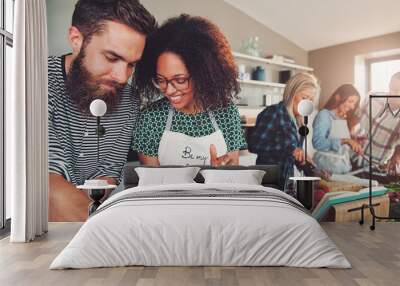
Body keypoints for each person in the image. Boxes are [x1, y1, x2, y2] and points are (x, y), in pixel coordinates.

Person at [48, 0, 157, 221]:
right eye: (112, 58)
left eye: (131, 64)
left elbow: (106, 176)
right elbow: (45, 185)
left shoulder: (129, 100)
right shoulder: (36, 80)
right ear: (76, 40)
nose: (122, 77)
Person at [133, 15, 246, 166]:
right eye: (161, 80)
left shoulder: (227, 113)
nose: (169, 90)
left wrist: (220, 173)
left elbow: (233, 176)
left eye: (179, 80)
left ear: (203, 74)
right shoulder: (151, 118)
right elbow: (149, 182)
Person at [248, 73, 320, 190]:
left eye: (310, 99)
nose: (307, 103)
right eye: (304, 98)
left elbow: (294, 155)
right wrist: (291, 150)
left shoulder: (299, 122)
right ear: (292, 93)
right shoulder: (273, 113)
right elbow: (254, 145)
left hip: (285, 182)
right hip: (268, 181)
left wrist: (308, 165)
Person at [354, 72, 400, 175]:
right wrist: (348, 138)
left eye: (398, 90)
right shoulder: (373, 97)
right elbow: (354, 118)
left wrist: (396, 157)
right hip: (350, 156)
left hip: (375, 167)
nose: (394, 93)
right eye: (392, 88)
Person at [312, 84, 362, 174]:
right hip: (326, 170)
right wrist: (345, 141)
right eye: (350, 101)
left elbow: (340, 150)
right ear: (338, 98)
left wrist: (352, 144)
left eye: (354, 103)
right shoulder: (324, 115)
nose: (352, 107)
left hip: (343, 169)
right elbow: (318, 143)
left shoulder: (343, 117)